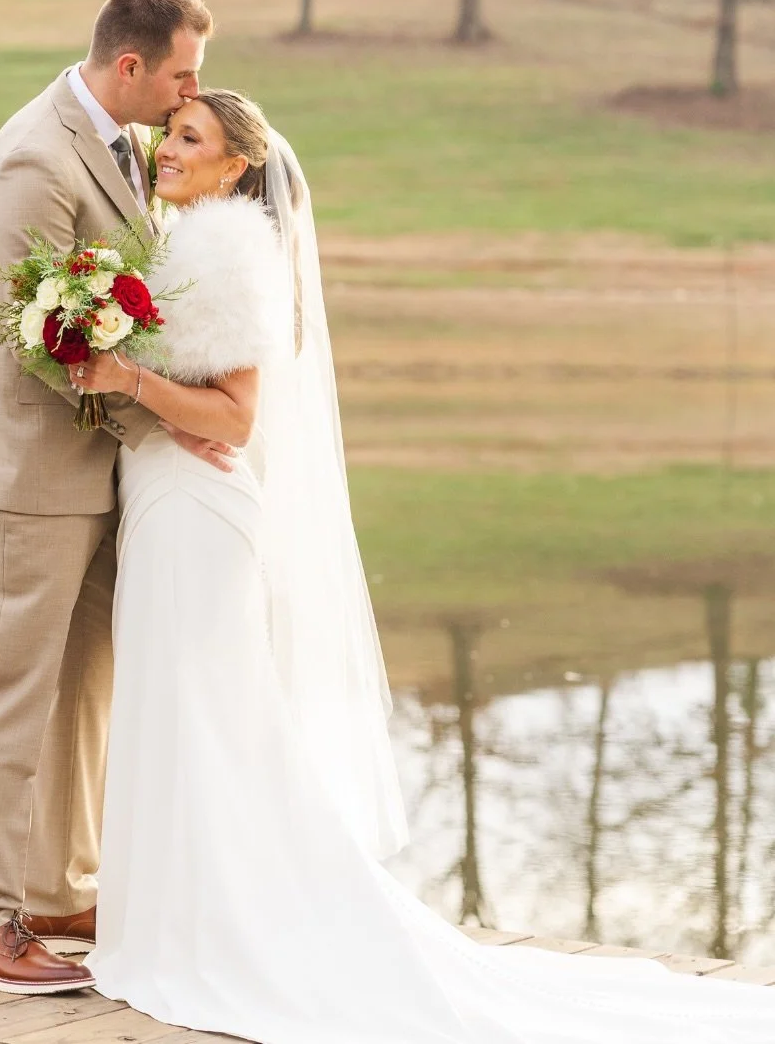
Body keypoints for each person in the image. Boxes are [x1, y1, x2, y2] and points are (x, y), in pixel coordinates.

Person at [74, 89, 775, 1043]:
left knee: (210, 713)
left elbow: (236, 418)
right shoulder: (176, 241)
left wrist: (129, 379)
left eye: (190, 139)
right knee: (175, 708)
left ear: (238, 165)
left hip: (200, 512)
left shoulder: (235, 252)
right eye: (171, 133)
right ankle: (169, 914)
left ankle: (225, 926)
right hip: (163, 499)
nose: (168, 148)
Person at [0, 0, 236, 995]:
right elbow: (41, 348)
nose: (197, 91)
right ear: (132, 66)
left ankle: (60, 889)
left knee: (82, 692)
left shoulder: (127, 146)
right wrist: (171, 415)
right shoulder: (34, 157)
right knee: (9, 694)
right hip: (21, 471)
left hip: (96, 472)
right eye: (185, 72)